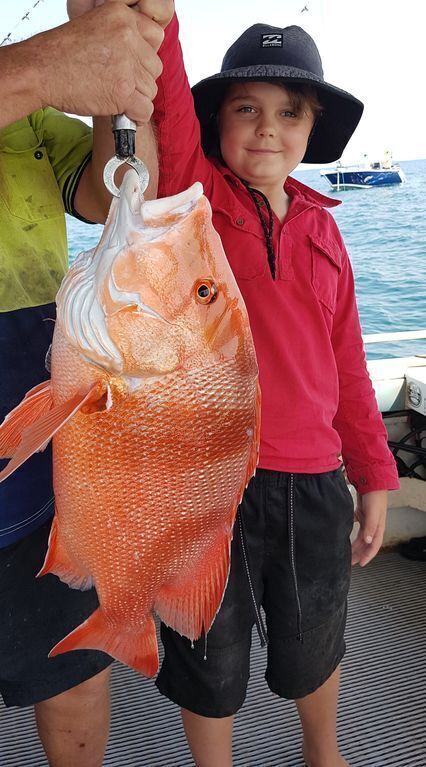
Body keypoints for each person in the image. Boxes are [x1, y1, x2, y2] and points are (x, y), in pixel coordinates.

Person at [145, 6, 400, 767]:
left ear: (311, 127)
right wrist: (161, 20)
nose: (266, 128)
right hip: (203, 484)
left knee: (316, 637)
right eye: (245, 108)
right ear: (216, 121)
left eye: (289, 112)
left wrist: (374, 475)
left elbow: (349, 366)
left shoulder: (327, 231)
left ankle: (325, 753)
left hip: (315, 482)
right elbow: (163, 102)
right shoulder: (189, 199)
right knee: (205, 648)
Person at [0, 1, 172, 765]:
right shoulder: (24, 74)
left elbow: (121, 196)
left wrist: (115, 65)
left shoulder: (27, 116)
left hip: (37, 437)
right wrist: (42, 65)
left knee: (70, 666)